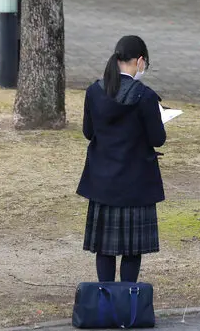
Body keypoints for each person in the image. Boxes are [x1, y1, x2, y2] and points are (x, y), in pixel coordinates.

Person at [77, 35, 166, 283]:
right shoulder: (145, 97)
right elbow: (157, 138)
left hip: (103, 180)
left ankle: (104, 300)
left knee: (104, 248)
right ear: (139, 61)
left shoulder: (94, 91)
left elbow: (88, 132)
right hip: (136, 182)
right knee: (132, 249)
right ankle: (128, 305)